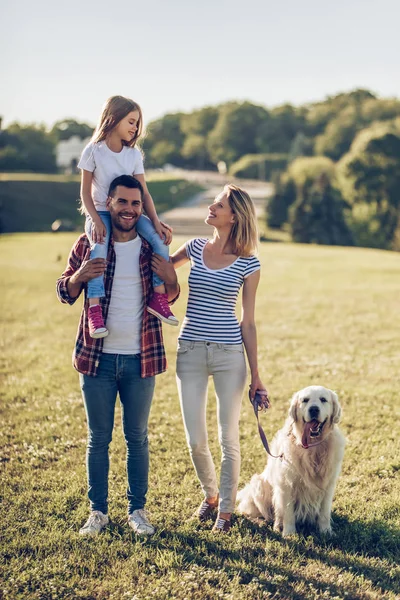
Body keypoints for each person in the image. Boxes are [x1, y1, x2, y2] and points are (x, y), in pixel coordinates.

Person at [56, 175, 179, 537]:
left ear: (142, 207)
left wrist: (171, 275)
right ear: (108, 203)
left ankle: (137, 510)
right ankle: (98, 512)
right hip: (98, 360)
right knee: (99, 438)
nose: (129, 210)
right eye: (122, 202)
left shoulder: (149, 247)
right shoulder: (89, 242)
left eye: (135, 204)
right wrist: (79, 276)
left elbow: (169, 297)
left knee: (137, 438)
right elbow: (64, 291)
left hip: (142, 358)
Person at [166, 184, 267, 532]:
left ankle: (225, 511)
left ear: (234, 216)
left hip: (228, 355)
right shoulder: (194, 247)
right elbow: (164, 268)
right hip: (190, 350)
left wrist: (257, 375)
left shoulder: (249, 264)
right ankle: (211, 495)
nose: (211, 206)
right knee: (195, 439)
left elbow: (248, 321)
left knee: (228, 437)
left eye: (219, 204)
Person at [78, 95, 178, 338]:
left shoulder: (133, 155)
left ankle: (158, 296)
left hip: (132, 211)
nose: (135, 128)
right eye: (131, 122)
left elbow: (144, 193)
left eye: (137, 123)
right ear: (114, 118)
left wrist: (155, 222)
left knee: (159, 241)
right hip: (100, 212)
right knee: (99, 250)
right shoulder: (93, 151)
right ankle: (95, 310)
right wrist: (97, 220)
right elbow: (85, 193)